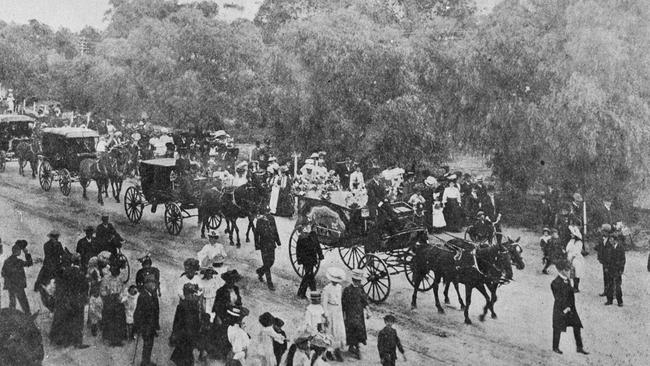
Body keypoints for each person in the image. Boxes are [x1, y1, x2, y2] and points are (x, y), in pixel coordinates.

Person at [50, 254, 89, 348]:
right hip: (77, 299)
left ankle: (64, 340)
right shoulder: (81, 273)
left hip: (67, 299)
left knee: (67, 319)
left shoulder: (66, 271)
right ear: (79, 262)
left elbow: (62, 285)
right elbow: (85, 287)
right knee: (78, 321)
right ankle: (77, 342)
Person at [551, 260, 589, 355]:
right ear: (561, 270)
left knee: (577, 326)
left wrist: (570, 307)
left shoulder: (567, 280)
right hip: (561, 309)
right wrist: (565, 308)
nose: (570, 272)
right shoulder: (555, 283)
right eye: (567, 270)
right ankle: (555, 347)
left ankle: (579, 347)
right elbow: (558, 298)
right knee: (557, 328)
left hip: (571, 308)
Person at [212, 270, 244, 360]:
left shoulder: (236, 289)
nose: (231, 282)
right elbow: (217, 305)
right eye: (230, 280)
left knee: (234, 335)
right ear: (226, 280)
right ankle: (220, 355)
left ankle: (229, 354)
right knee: (223, 335)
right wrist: (218, 317)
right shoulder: (221, 291)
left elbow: (239, 301)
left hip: (234, 316)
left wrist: (240, 308)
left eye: (233, 280)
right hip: (224, 316)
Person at [170, 283, 202, 366]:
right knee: (184, 353)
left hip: (191, 334)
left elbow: (197, 322)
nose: (192, 296)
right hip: (183, 334)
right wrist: (174, 333)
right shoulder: (181, 307)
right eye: (190, 294)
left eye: (193, 294)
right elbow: (177, 321)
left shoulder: (195, 306)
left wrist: (197, 333)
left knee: (187, 353)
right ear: (185, 294)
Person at [342, 269, 369, 360]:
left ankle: (356, 347)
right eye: (356, 280)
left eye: (359, 281)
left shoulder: (361, 288)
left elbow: (364, 300)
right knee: (352, 329)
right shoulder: (347, 290)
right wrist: (344, 314)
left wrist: (368, 310)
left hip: (359, 314)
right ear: (353, 279)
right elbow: (343, 304)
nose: (358, 282)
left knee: (359, 329)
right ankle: (354, 347)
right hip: (350, 314)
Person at [134, 273, 161, 366]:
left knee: (150, 344)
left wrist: (156, 324)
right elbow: (138, 312)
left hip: (152, 325)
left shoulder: (153, 295)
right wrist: (138, 326)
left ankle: (147, 360)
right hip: (145, 326)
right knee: (147, 344)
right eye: (151, 282)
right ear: (146, 284)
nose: (153, 285)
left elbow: (157, 311)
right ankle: (144, 362)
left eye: (154, 282)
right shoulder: (142, 296)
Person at [100, 257, 127, 346]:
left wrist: (121, 298)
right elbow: (102, 291)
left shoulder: (120, 278)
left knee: (119, 320)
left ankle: (119, 339)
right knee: (109, 319)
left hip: (118, 302)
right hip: (109, 301)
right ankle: (108, 338)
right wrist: (107, 294)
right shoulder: (106, 278)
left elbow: (123, 290)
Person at [321, 267, 346, 362]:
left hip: (337, 311)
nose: (335, 282)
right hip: (330, 311)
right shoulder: (327, 289)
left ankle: (337, 350)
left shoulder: (339, 288)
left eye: (337, 281)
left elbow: (339, 301)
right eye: (333, 280)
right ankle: (328, 351)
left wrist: (341, 312)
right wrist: (326, 315)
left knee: (338, 331)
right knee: (329, 331)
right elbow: (324, 303)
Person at [1, 240, 33, 314]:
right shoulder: (19, 262)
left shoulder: (7, 261)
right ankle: (28, 316)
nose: (20, 252)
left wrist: (9, 280)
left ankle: (11, 319)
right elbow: (30, 263)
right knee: (24, 303)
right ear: (17, 251)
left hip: (10, 286)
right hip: (18, 285)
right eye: (19, 251)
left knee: (12, 303)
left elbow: (3, 273)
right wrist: (26, 253)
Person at [255, 210, 282, 291]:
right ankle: (270, 283)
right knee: (266, 264)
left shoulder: (271, 218)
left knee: (272, 261)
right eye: (265, 212)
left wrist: (278, 242)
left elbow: (275, 230)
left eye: (268, 211)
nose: (267, 213)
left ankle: (260, 271)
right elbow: (256, 234)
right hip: (263, 244)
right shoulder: (259, 221)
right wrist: (257, 245)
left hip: (271, 243)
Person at [296, 223, 324, 299]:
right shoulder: (302, 237)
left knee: (309, 275)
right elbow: (298, 250)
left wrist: (320, 255)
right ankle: (310, 293)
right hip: (306, 259)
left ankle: (304, 292)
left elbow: (317, 245)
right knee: (309, 275)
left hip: (312, 259)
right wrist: (299, 260)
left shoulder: (314, 235)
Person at [34, 230, 66, 294]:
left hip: (57, 264)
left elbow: (62, 253)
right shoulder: (46, 245)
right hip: (48, 264)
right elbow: (48, 255)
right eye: (54, 237)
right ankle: (37, 288)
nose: (56, 238)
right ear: (51, 237)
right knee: (41, 277)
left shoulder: (59, 244)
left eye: (56, 237)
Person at [603, 232, 626, 306]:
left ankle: (620, 301)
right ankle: (609, 300)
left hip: (617, 269)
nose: (610, 241)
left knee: (617, 285)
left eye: (611, 239)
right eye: (609, 239)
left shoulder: (621, 248)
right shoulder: (609, 248)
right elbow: (606, 258)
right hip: (610, 269)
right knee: (609, 284)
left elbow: (623, 260)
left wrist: (621, 269)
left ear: (615, 240)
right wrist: (606, 267)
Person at [87, 257, 103, 336]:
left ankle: (91, 324)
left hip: (92, 290)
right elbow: (97, 281)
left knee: (92, 308)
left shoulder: (89, 270)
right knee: (97, 308)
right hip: (96, 290)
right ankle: (96, 327)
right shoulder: (95, 271)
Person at [565, 226, 585, 293]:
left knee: (577, 272)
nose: (571, 235)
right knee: (572, 272)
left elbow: (576, 251)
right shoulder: (571, 241)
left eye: (572, 234)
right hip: (570, 257)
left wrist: (572, 258)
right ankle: (573, 286)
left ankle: (576, 287)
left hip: (576, 259)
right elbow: (568, 248)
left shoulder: (579, 242)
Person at [594, 224, 612, 296]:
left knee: (610, 276)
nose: (602, 233)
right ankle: (606, 291)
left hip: (610, 261)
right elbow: (599, 247)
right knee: (605, 276)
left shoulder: (611, 239)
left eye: (603, 231)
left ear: (607, 232)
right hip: (604, 261)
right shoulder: (602, 239)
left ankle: (611, 292)